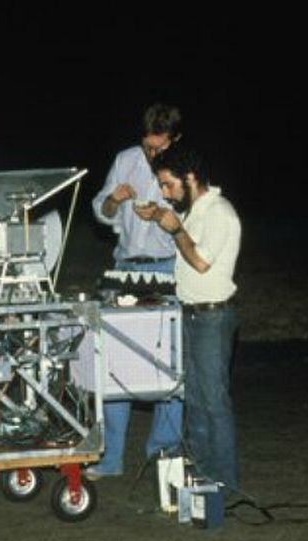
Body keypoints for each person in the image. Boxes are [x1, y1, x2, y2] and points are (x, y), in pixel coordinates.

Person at [136, 143, 241, 491]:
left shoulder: (220, 213)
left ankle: (224, 484)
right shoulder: (196, 211)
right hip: (193, 314)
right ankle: (203, 479)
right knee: (194, 401)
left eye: (168, 184)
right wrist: (165, 219)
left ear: (190, 177)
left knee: (213, 401)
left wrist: (175, 229)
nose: (166, 193)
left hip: (213, 317)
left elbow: (201, 262)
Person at [87, 103, 184, 479]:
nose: (153, 153)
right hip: (126, 267)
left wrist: (161, 215)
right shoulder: (126, 159)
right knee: (116, 363)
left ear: (176, 138)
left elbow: (191, 220)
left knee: (168, 364)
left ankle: (163, 454)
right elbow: (102, 209)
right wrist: (114, 200)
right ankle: (111, 458)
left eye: (161, 147)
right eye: (148, 145)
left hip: (167, 267)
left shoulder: (184, 166)